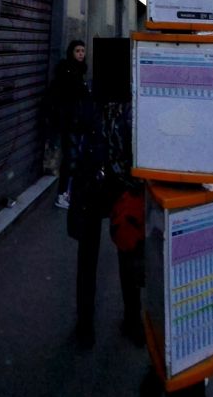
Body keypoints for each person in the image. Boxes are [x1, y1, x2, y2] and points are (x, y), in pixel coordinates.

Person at [66, 87, 145, 349]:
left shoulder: (130, 99)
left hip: (121, 185)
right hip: (92, 183)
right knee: (89, 256)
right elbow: (76, 136)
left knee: (128, 252)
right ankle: (85, 323)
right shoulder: (90, 97)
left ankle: (131, 319)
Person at [45, 40, 89, 209]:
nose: (80, 54)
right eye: (77, 50)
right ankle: (62, 194)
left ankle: (68, 193)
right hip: (69, 122)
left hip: (76, 122)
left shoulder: (80, 71)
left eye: (83, 51)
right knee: (70, 159)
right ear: (71, 52)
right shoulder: (67, 72)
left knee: (74, 158)